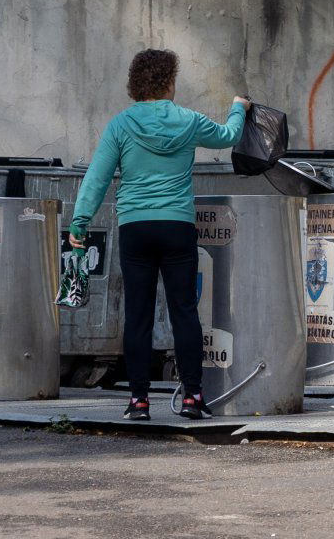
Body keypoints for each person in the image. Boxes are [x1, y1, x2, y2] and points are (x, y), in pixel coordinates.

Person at [69, 49, 250, 420]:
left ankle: (138, 401)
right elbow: (230, 135)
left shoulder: (120, 125)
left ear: (136, 83)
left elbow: (98, 176)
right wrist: (238, 107)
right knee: (184, 310)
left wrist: (80, 221)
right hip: (176, 225)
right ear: (169, 81)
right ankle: (192, 398)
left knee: (138, 314)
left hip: (135, 226)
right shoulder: (188, 120)